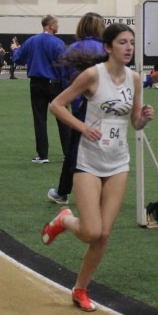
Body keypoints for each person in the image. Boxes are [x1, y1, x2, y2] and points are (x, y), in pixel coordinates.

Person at [42, 23, 155, 312]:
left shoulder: (135, 79)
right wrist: (82, 128)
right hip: (89, 162)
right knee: (91, 231)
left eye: (132, 42)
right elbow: (56, 105)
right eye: (122, 42)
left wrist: (143, 119)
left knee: (104, 233)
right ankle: (65, 220)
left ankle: (80, 289)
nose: (129, 47)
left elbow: (134, 122)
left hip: (118, 162)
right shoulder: (93, 75)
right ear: (107, 47)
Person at [48, 12, 105, 205]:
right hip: (106, 105)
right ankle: (105, 192)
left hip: (81, 105)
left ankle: (62, 192)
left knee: (75, 149)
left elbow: (65, 79)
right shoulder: (107, 49)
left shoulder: (72, 49)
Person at [12, 15, 71, 164]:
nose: (58, 26)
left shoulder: (32, 41)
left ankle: (43, 155)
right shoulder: (58, 43)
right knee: (63, 119)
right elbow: (64, 66)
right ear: (51, 26)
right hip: (55, 84)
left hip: (36, 84)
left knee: (39, 119)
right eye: (57, 24)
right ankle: (69, 153)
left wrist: (15, 49)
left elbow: (18, 58)